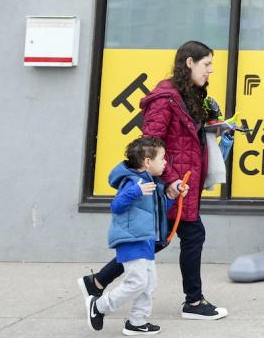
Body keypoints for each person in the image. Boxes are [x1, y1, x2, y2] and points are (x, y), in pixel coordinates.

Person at [79, 41, 229, 320]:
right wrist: (170, 180)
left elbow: (185, 139)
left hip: (184, 184)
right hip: (171, 187)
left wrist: (214, 125)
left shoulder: (189, 96)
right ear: (189, 63)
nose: (210, 71)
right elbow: (150, 143)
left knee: (158, 240)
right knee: (181, 236)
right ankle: (193, 303)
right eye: (206, 64)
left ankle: (97, 282)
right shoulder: (165, 98)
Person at [86, 136, 180, 335]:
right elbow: (117, 206)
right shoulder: (133, 182)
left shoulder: (150, 183)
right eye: (162, 158)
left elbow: (154, 211)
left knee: (149, 284)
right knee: (137, 282)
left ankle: (137, 322)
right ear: (147, 162)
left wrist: (171, 197)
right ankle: (99, 306)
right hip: (131, 239)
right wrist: (135, 191)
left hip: (145, 239)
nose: (165, 163)